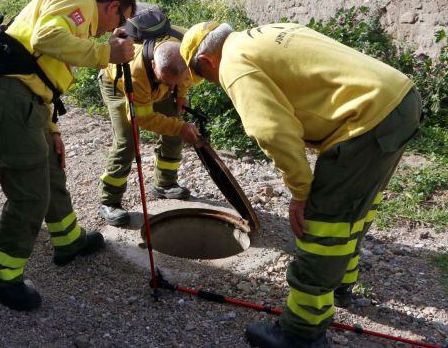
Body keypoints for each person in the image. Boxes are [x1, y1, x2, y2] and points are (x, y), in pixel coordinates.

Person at [179, 21, 421, 348]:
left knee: (322, 226)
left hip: (366, 119)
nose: (215, 82)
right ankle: (339, 283)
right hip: (399, 100)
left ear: (207, 61)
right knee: (353, 208)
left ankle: (300, 333)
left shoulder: (234, 62)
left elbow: (272, 132)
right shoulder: (264, 33)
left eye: (206, 77)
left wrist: (301, 193)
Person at [0, 0, 136, 311]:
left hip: (29, 104)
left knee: (51, 174)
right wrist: (108, 53)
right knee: (30, 194)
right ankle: (1, 278)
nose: (112, 31)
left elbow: (39, 70)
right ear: (112, 7)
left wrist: (52, 128)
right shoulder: (79, 3)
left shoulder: (76, 17)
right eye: (118, 23)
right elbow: (46, 38)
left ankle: (68, 241)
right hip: (12, 103)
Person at [98, 4, 201, 226]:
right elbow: (143, 118)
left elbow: (184, 76)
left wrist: (179, 93)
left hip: (165, 79)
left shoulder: (186, 48)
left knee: (174, 124)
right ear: (154, 65)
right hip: (118, 85)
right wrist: (181, 127)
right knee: (128, 141)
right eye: (166, 80)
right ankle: (110, 201)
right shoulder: (134, 72)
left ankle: (164, 184)